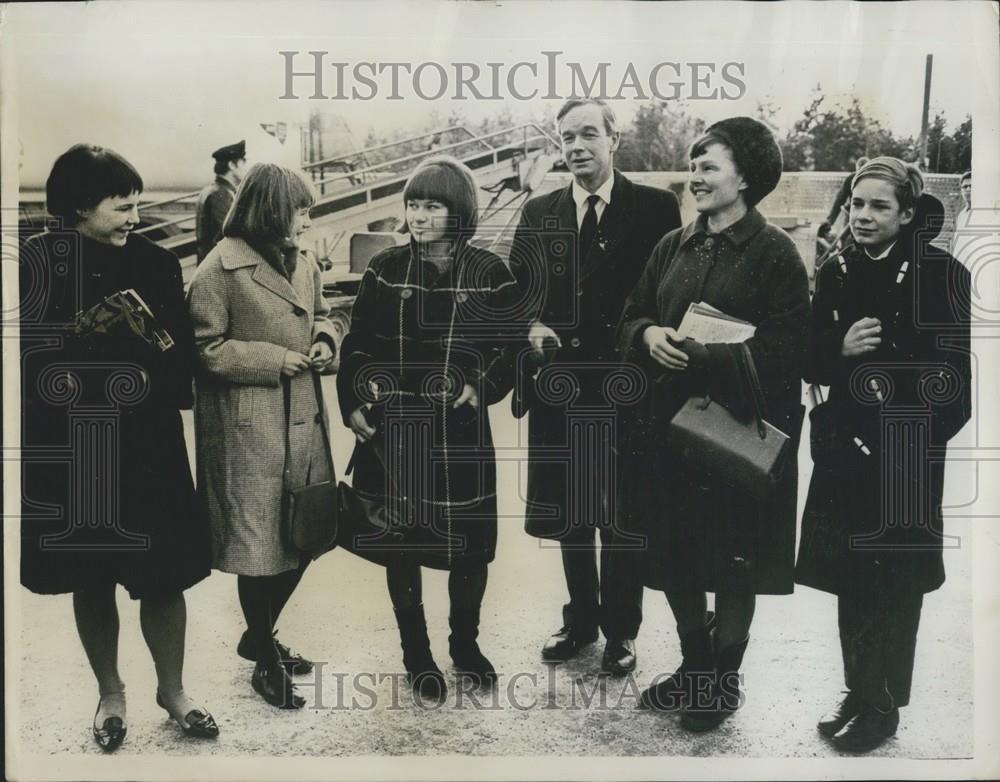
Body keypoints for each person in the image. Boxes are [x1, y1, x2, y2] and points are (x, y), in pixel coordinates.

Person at [20, 144, 218, 751]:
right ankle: (111, 692)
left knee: (164, 576)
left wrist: (148, 357)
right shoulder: (39, 260)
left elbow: (181, 356)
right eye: (121, 206)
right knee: (92, 572)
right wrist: (82, 333)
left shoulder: (159, 263)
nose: (135, 216)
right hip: (77, 440)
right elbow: (30, 358)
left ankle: (174, 690)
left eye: (137, 204)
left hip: (148, 440)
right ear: (79, 207)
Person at [616, 117, 810, 731]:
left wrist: (705, 355)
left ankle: (722, 680)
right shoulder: (673, 245)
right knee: (675, 555)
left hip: (730, 437)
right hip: (669, 434)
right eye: (692, 165)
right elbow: (632, 313)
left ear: (745, 177)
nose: (694, 177)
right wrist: (647, 334)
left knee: (732, 560)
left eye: (708, 166)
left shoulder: (775, 252)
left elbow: (790, 350)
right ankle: (694, 667)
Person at [796, 158, 971, 752]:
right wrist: (837, 347)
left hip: (904, 460)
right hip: (846, 452)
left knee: (894, 584)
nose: (863, 216)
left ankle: (884, 705)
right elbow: (809, 361)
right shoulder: (837, 268)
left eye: (878, 206)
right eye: (856, 204)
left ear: (907, 213)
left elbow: (954, 388)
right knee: (851, 578)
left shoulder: (941, 274)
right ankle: (858, 688)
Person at [508, 98, 681, 676]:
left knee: (624, 515)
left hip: (628, 390)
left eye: (588, 135)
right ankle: (581, 619)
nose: (576, 146)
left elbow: (668, 294)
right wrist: (530, 323)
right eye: (567, 137)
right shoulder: (540, 212)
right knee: (575, 515)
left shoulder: (656, 209)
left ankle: (622, 631)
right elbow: (518, 295)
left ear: (615, 140)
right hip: (562, 390)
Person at [337, 156, 519, 699]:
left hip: (461, 435)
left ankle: (465, 643)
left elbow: (509, 348)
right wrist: (352, 401)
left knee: (469, 548)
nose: (418, 216)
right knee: (401, 545)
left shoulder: (490, 274)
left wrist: (480, 386)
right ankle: (415, 653)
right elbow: (357, 345)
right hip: (397, 432)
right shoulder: (384, 268)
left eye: (431, 206)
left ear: (458, 211)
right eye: (412, 205)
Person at [188, 163, 337, 709]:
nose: (306, 219)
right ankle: (267, 662)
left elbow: (326, 314)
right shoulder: (218, 269)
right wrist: (274, 359)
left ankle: (258, 634)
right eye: (301, 209)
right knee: (260, 549)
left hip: (302, 424)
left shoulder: (303, 259)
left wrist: (324, 338)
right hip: (248, 431)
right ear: (272, 209)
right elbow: (204, 349)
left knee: (308, 535)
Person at [195, 140, 247, 263]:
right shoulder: (221, 194)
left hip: (210, 262)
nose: (246, 167)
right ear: (232, 165)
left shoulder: (211, 190)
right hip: (219, 265)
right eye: (243, 162)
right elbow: (228, 232)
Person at [827, 156, 870, 234]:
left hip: (868, 215)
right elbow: (840, 199)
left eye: (865, 171)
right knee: (845, 237)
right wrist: (830, 220)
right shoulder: (850, 179)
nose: (861, 175)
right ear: (856, 169)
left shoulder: (875, 181)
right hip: (852, 213)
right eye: (859, 171)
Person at [949, 170, 972, 262]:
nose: (968, 189)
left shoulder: (984, 214)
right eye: (965, 187)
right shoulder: (961, 215)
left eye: (972, 186)